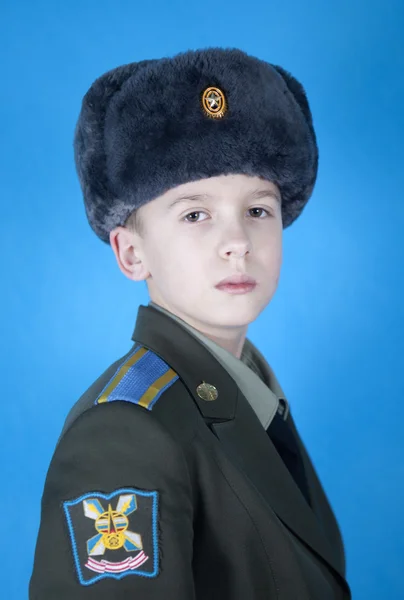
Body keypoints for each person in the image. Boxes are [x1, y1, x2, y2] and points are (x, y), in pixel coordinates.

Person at [29, 47, 352, 599]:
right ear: (132, 254)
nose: (236, 243)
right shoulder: (125, 433)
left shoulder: (250, 396)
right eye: (195, 214)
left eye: (258, 210)